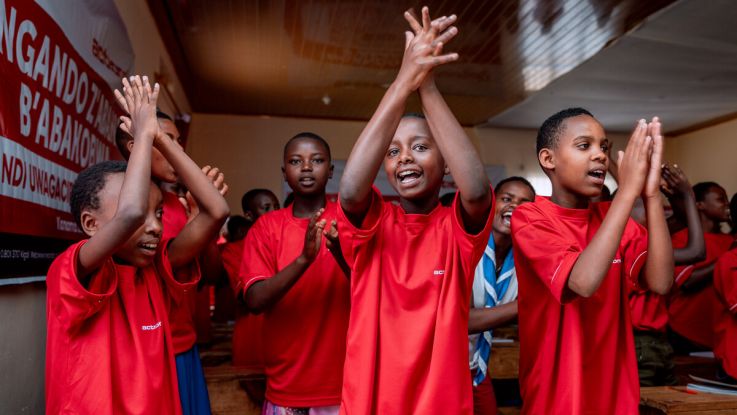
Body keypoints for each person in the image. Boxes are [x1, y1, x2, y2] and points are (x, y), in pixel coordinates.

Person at [337, 8, 493, 414]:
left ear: (445, 165)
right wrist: (403, 81)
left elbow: (475, 189)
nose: (405, 158)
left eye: (421, 147)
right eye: (393, 152)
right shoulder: (373, 220)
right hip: (371, 402)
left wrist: (427, 87)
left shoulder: (455, 227)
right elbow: (351, 189)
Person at [46, 76, 229, 414]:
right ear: (91, 224)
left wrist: (161, 138)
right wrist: (143, 135)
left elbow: (216, 210)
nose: (156, 226)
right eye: (145, 213)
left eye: (158, 212)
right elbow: (129, 214)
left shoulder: (157, 267)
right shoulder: (73, 272)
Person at [511, 108, 673, 414]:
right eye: (584, 146)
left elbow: (662, 282)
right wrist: (626, 192)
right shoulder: (530, 217)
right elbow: (582, 282)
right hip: (557, 396)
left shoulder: (612, 219)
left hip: (615, 394)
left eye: (605, 147)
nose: (600, 155)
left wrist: (650, 195)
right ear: (549, 160)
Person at [115, 98, 226, 415]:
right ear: (139, 144)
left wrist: (200, 222)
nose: (178, 150)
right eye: (167, 140)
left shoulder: (179, 204)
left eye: (178, 141)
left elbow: (212, 276)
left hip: (183, 343)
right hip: (143, 349)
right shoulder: (119, 204)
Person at [240, 133, 350, 414]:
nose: (306, 167)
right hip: (288, 384)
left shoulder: (348, 222)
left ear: (331, 170)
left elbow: (376, 291)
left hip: (346, 383)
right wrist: (303, 260)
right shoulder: (266, 227)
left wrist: (341, 255)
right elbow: (254, 300)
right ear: (284, 172)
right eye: (295, 161)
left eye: (316, 160)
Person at [628, 163, 705, 386]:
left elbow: (681, 221)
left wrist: (674, 194)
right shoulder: (634, 247)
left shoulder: (649, 241)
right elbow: (697, 251)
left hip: (658, 341)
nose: (658, 213)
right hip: (639, 343)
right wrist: (688, 195)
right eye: (649, 206)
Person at [469, 177, 534, 415]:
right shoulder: (468, 247)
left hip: (476, 365)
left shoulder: (524, 260)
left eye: (524, 204)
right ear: (492, 204)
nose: (514, 207)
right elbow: (462, 320)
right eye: (507, 199)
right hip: (442, 364)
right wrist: (526, 305)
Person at [668, 181, 734, 352]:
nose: (727, 205)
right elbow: (687, 282)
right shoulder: (682, 238)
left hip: (717, 336)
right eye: (721, 199)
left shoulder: (730, 241)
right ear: (699, 205)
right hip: (684, 333)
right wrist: (728, 258)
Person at [221, 189, 280, 370]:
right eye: (266, 207)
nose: (275, 212)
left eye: (277, 207)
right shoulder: (235, 250)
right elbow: (246, 299)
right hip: (253, 337)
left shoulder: (290, 240)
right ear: (249, 215)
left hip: (285, 335)